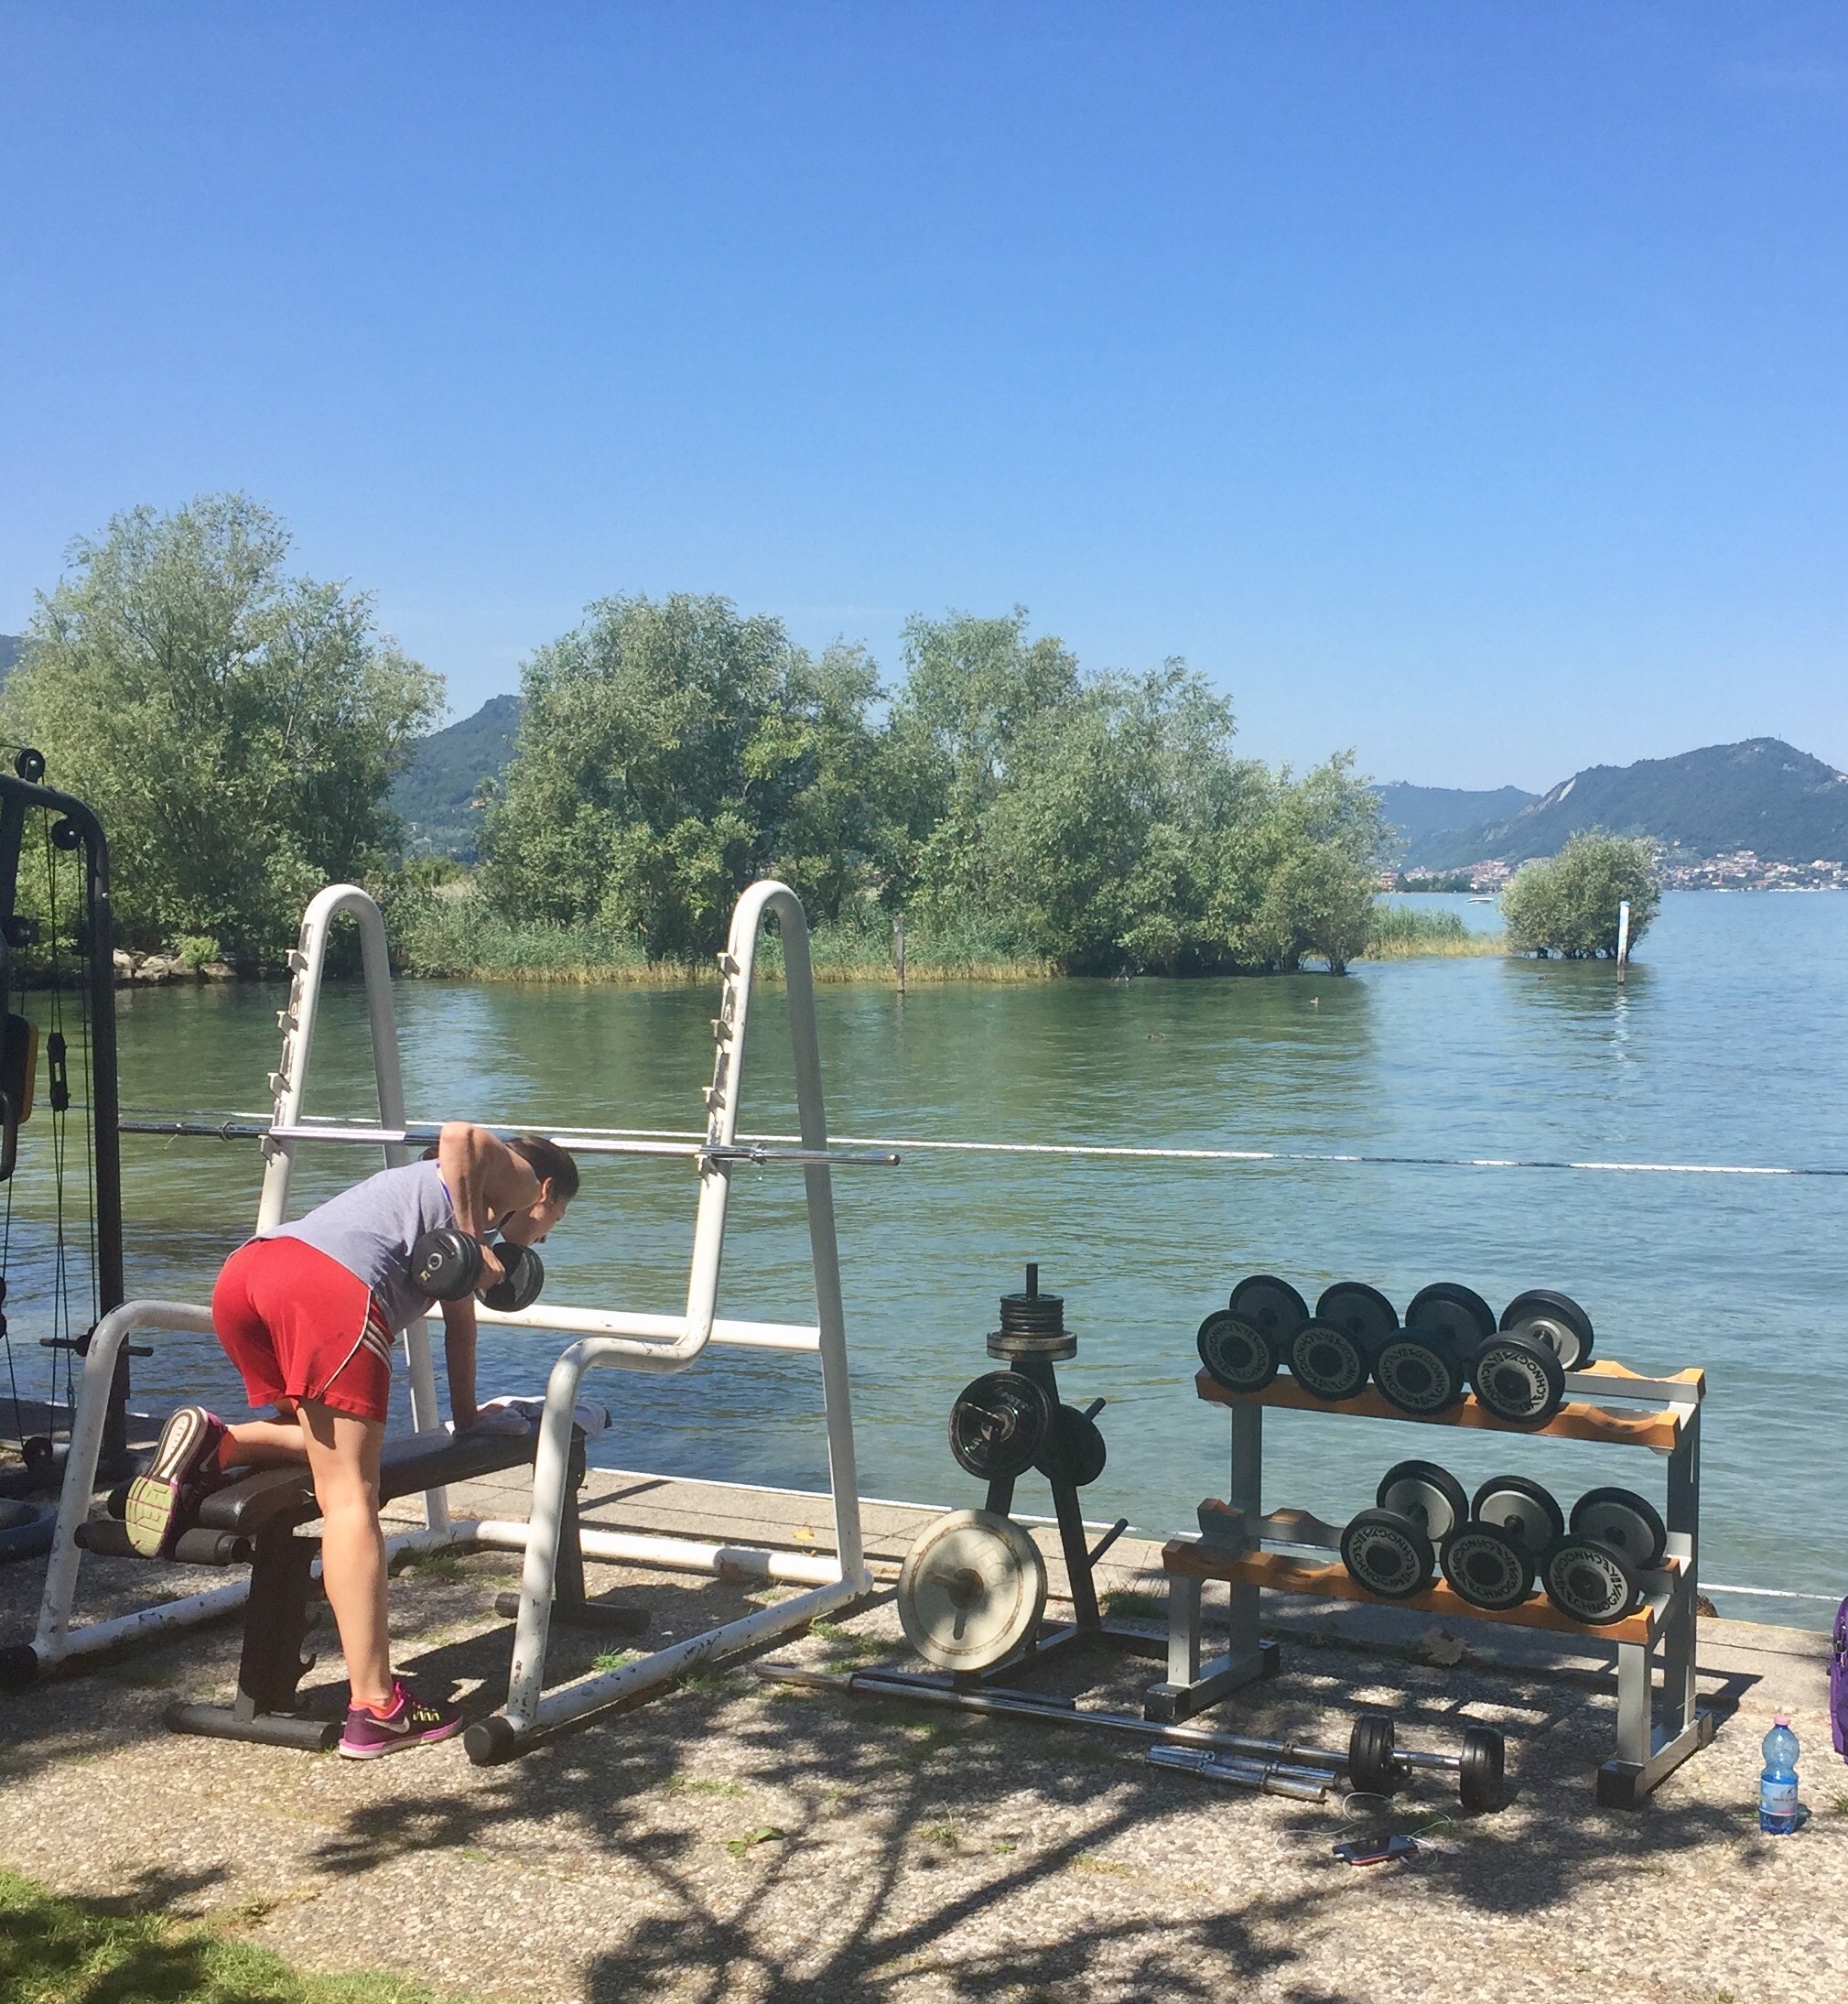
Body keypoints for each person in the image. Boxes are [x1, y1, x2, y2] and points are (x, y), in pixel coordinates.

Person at [123, 1124, 578, 1759]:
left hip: (250, 1275)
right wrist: (475, 1241)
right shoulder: (519, 1181)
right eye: (557, 1215)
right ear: (547, 1191)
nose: (547, 1232)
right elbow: (461, 1134)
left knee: (322, 1445)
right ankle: (377, 1707)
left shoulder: (444, 1198)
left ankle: (219, 1442)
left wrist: (469, 1416)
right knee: (351, 1497)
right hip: (329, 1288)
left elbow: (461, 1328)